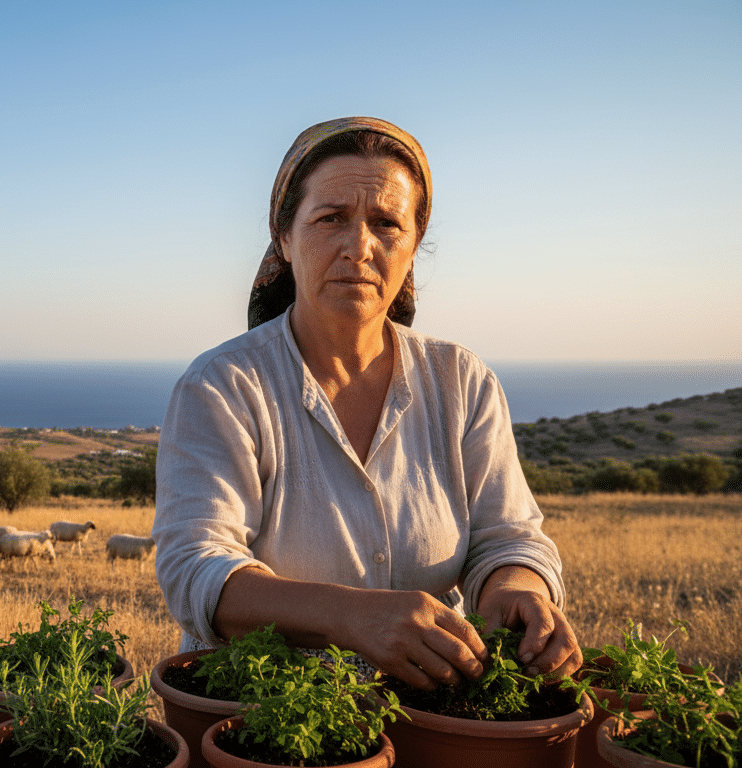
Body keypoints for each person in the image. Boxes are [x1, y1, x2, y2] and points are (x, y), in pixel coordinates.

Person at [152, 116, 581, 691]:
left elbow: (508, 536)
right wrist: (354, 618)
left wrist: (516, 589)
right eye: (331, 218)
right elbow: (196, 567)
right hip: (260, 722)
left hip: (432, 713)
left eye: (386, 223)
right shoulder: (225, 385)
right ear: (284, 237)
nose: (359, 247)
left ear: (414, 245)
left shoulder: (460, 381)